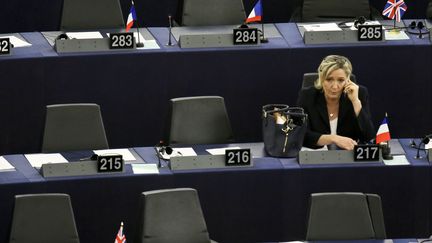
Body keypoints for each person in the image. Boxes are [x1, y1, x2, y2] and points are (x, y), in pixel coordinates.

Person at [297, 55, 375, 150]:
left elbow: (368, 136)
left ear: (348, 80)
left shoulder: (359, 94)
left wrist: (355, 102)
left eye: (341, 80)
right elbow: (301, 135)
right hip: (316, 155)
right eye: (329, 79)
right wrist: (333, 138)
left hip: (347, 156)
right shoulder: (308, 95)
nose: (334, 86)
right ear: (321, 79)